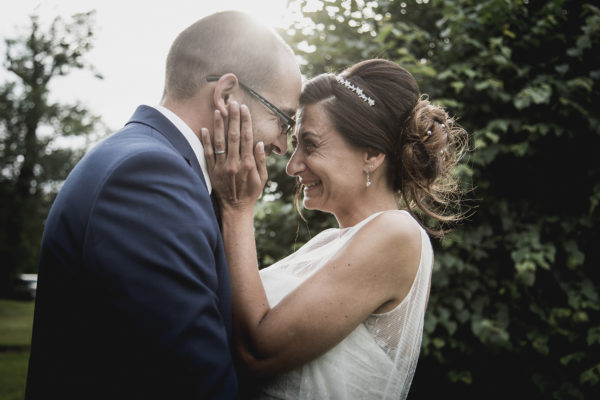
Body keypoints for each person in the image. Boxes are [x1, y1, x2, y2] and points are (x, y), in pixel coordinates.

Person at [25, 11, 301, 400]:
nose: (282, 146)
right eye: (284, 120)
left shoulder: (154, 164)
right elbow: (194, 384)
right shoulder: (149, 177)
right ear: (225, 96)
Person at [200, 58, 468, 399]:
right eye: (294, 143)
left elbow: (257, 352)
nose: (293, 165)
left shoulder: (397, 233)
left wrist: (237, 208)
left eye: (310, 145)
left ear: (371, 155)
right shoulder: (327, 242)